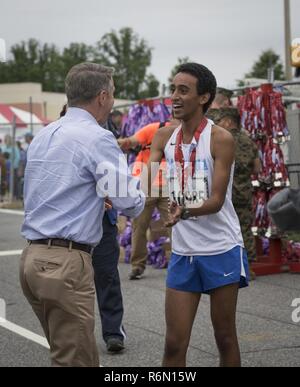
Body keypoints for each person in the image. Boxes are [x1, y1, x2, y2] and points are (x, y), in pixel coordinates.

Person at [20, 62, 145, 367]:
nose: (113, 100)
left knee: (71, 353)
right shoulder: (97, 137)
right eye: (112, 93)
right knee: (75, 359)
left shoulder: (45, 134)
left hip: (33, 258)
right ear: (102, 96)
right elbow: (128, 201)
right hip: (65, 262)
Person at [149, 63, 249, 367]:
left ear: (204, 97)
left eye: (184, 90)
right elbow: (149, 183)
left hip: (221, 247)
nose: (174, 97)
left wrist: (184, 210)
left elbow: (216, 201)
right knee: (173, 343)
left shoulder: (220, 138)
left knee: (225, 338)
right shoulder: (164, 136)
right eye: (173, 89)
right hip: (183, 251)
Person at [118, 121, 175, 280]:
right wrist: (123, 142)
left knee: (175, 226)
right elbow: (133, 140)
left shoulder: (184, 130)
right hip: (146, 186)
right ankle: (137, 266)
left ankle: (178, 263)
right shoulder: (154, 129)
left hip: (169, 186)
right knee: (139, 227)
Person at [213, 108, 261, 280]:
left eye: (220, 121)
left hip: (226, 192)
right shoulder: (248, 141)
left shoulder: (222, 140)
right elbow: (257, 168)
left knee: (225, 228)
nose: (217, 124)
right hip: (245, 192)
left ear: (228, 122)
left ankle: (229, 267)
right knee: (245, 229)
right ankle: (250, 268)